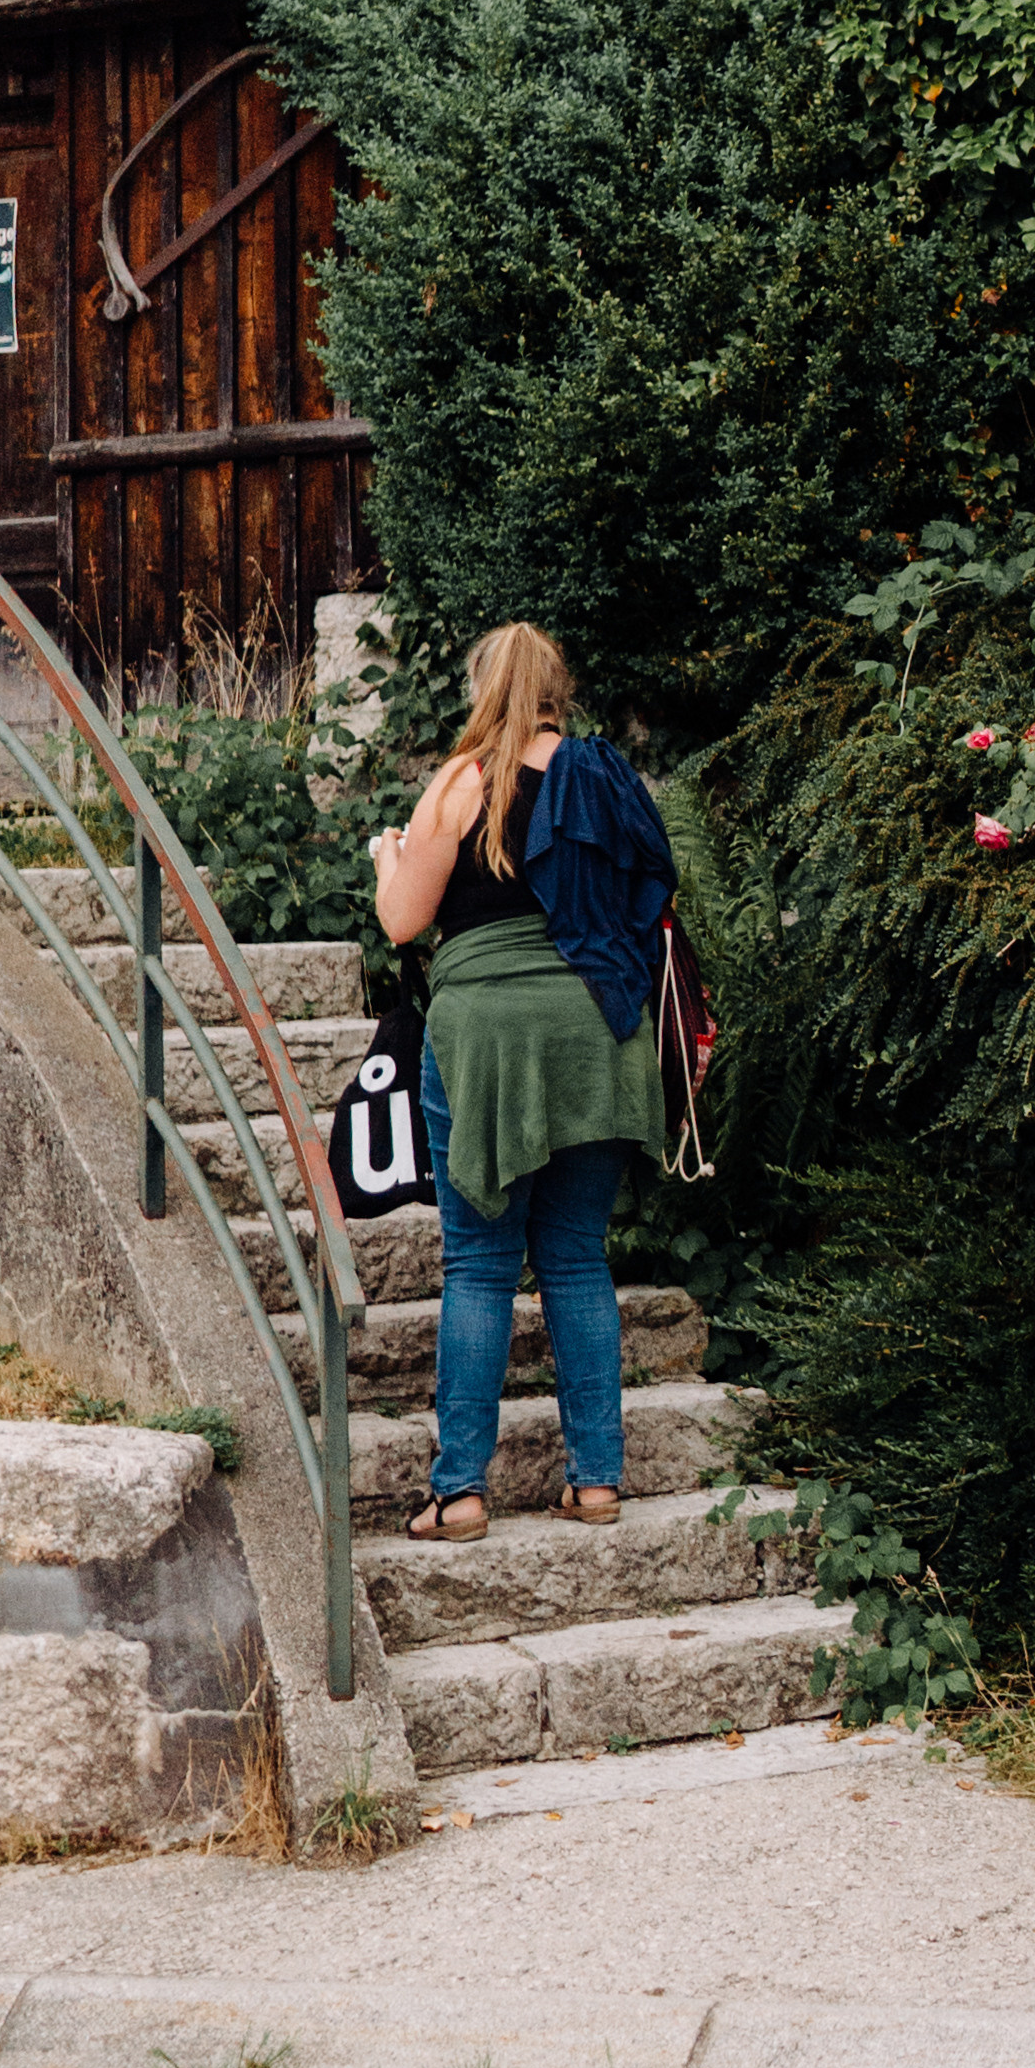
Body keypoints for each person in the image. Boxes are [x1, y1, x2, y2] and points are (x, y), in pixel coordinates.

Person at [370, 622, 675, 1543]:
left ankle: (459, 1491)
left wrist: (389, 856)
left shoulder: (463, 782)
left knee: (481, 1263)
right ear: (557, 690)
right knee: (577, 1258)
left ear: (481, 687)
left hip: (489, 1037)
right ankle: (596, 1483)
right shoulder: (607, 778)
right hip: (601, 1029)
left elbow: (400, 922)